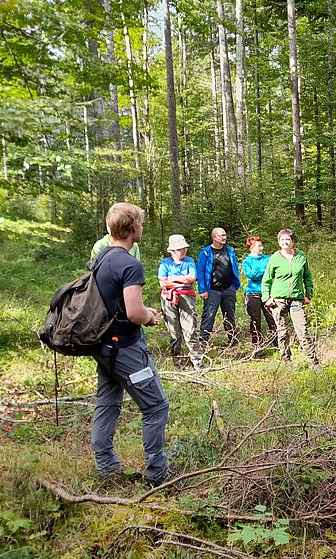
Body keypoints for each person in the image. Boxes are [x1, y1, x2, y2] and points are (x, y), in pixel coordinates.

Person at [92, 202, 170, 486]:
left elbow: (116, 303)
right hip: (125, 347)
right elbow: (135, 313)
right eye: (141, 223)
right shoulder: (129, 263)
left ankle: (105, 466)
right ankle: (157, 473)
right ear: (133, 227)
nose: (142, 227)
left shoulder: (101, 258)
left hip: (102, 345)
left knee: (107, 402)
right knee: (156, 406)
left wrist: (140, 311)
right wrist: (149, 316)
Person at [262, 229, 319, 367]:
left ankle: (314, 363)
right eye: (282, 240)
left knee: (302, 331)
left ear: (292, 241)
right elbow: (266, 280)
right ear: (278, 242)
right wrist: (266, 298)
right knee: (282, 332)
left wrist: (308, 294)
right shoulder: (275, 258)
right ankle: (286, 361)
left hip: (296, 299)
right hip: (278, 300)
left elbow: (307, 277)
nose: (285, 242)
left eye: (287, 239)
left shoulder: (301, 256)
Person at [158, 234, 201, 369]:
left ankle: (197, 361)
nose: (183, 251)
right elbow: (162, 282)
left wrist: (172, 280)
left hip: (187, 297)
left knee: (190, 329)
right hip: (169, 298)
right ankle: (178, 361)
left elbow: (191, 279)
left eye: (184, 248)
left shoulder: (189, 261)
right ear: (172, 250)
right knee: (174, 332)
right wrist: (182, 280)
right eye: (179, 249)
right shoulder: (165, 263)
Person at [197, 228, 241, 346]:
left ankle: (233, 341)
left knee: (230, 316)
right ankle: (203, 342)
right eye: (221, 235)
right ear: (214, 237)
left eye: (225, 235)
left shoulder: (230, 251)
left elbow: (234, 267)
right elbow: (200, 272)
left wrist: (235, 286)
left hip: (228, 288)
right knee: (209, 316)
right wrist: (202, 290)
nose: (224, 237)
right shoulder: (206, 252)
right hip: (212, 290)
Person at [242, 236, 277, 348]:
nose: (262, 248)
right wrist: (265, 270)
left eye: (262, 245)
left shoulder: (267, 259)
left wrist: (262, 272)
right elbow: (251, 275)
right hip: (252, 293)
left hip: (268, 292)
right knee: (255, 320)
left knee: (272, 318)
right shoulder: (247, 261)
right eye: (259, 246)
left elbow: (273, 272)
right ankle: (257, 347)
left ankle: (279, 344)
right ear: (251, 247)